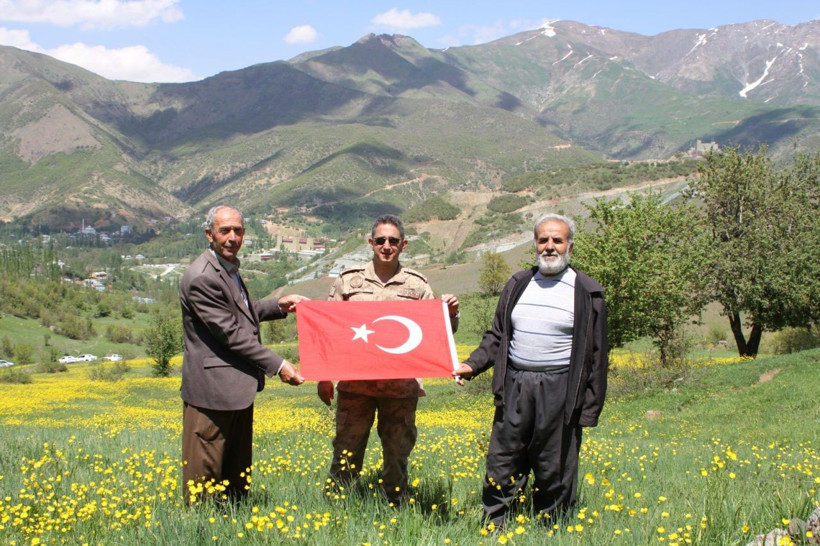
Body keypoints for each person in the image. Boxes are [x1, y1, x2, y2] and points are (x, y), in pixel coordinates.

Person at [453, 213, 608, 528]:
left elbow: (597, 355)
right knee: (503, 459)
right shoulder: (518, 285)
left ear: (569, 246)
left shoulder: (587, 293)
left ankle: (552, 529)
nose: (549, 246)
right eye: (543, 240)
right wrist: (472, 365)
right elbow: (497, 336)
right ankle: (496, 525)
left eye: (557, 240)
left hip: (560, 388)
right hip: (516, 386)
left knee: (555, 465)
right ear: (535, 244)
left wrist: (589, 408)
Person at [317, 214, 460, 506]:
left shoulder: (417, 285)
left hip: (400, 388)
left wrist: (452, 314)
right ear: (370, 242)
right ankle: (335, 506)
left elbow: (438, 332)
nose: (386, 246)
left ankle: (395, 506)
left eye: (393, 241)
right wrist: (323, 376)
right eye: (380, 240)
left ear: (403, 245)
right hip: (355, 386)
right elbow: (329, 330)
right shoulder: (348, 281)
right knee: (346, 450)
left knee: (397, 452)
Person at [179, 205, 306, 504]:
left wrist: (278, 305)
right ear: (209, 234)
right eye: (225, 231)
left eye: (238, 230)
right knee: (205, 480)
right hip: (212, 393)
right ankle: (201, 531)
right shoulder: (202, 277)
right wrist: (279, 364)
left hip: (235, 389)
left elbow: (241, 313)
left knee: (235, 475)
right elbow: (231, 334)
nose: (232, 237)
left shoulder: (226, 268)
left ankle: (234, 525)